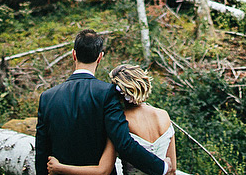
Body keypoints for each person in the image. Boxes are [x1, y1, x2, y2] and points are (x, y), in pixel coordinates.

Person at [35, 30, 173, 175]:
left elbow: (41, 152)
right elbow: (124, 143)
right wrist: (161, 167)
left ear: (73, 55)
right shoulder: (107, 93)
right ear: (100, 57)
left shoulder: (47, 97)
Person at [46, 64, 176, 175]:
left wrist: (59, 168)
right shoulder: (163, 115)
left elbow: (103, 170)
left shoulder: (119, 122)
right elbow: (173, 169)